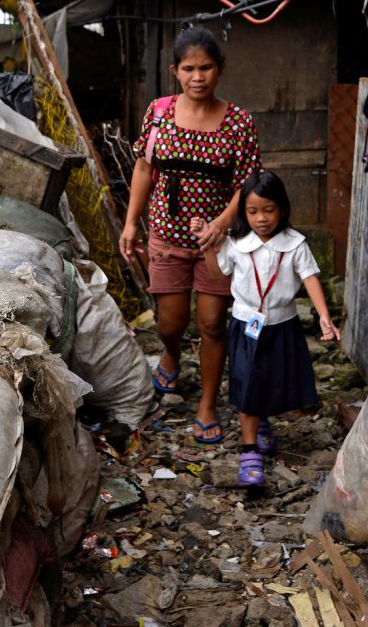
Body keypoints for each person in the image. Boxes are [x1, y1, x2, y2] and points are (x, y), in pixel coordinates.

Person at [121, 26, 261, 445]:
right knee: (170, 322)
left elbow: (247, 184)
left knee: (213, 324)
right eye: (188, 68)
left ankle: (207, 405)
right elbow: (145, 169)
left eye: (206, 67)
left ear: (219, 70)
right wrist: (132, 222)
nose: (197, 76)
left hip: (219, 242)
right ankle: (171, 352)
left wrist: (222, 222)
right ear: (174, 71)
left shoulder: (238, 122)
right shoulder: (159, 114)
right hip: (166, 234)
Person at [192, 171, 340, 487]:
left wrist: (324, 315)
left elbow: (311, 277)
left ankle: (261, 423)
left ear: (282, 208)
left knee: (273, 377)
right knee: (247, 379)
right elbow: (217, 276)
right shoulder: (236, 243)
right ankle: (249, 451)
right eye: (253, 211)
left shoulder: (295, 244)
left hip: (283, 325)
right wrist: (207, 246)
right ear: (244, 212)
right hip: (247, 325)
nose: (261, 219)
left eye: (269, 210)